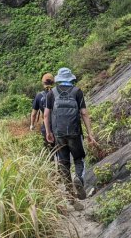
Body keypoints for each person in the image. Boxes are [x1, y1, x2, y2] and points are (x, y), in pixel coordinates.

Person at [44, 67, 97, 201]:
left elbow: (46, 115)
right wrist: (90, 134)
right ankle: (78, 178)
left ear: (58, 80)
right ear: (70, 78)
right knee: (79, 159)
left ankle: (69, 192)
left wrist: (49, 132)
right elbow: (84, 113)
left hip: (59, 134)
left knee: (63, 162)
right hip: (75, 132)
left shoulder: (52, 93)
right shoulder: (77, 91)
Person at [30, 73, 55, 151]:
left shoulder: (39, 96)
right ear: (53, 82)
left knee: (49, 151)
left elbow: (34, 114)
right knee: (62, 151)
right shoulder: (58, 93)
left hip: (46, 127)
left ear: (43, 83)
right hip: (59, 125)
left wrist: (32, 125)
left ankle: (52, 162)